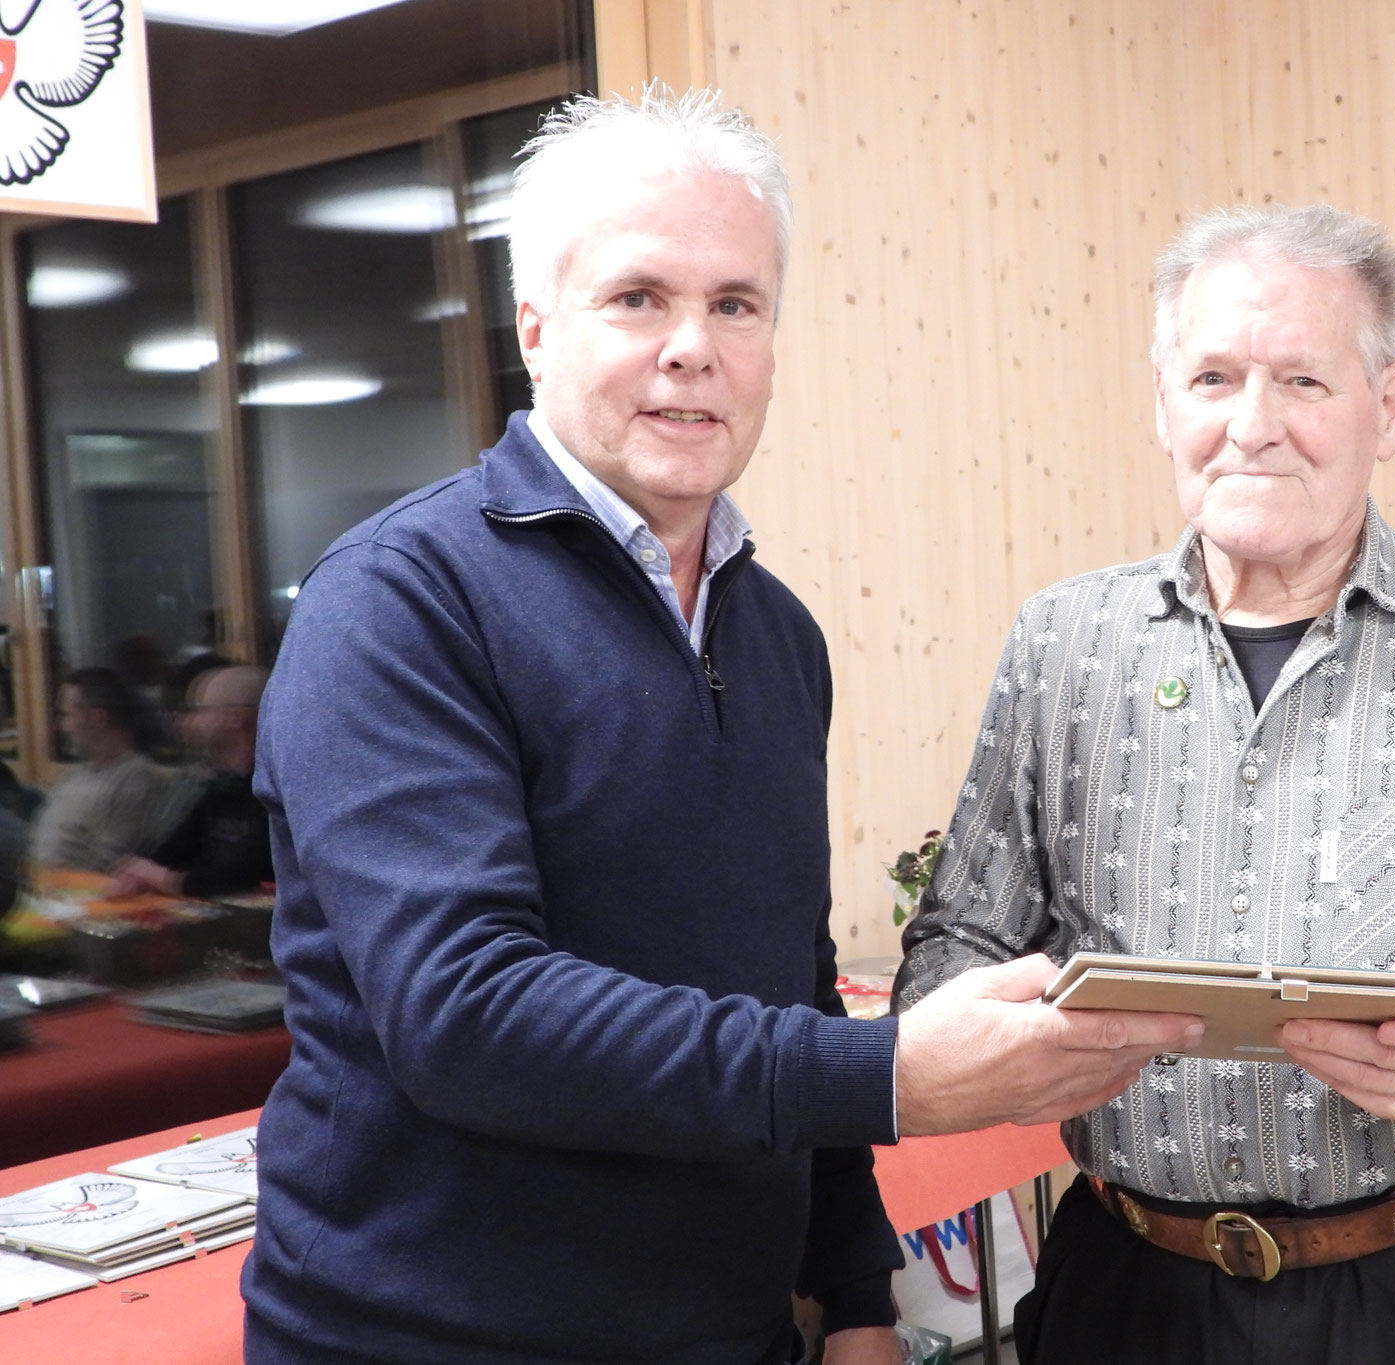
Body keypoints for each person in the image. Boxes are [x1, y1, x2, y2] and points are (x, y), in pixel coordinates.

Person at [243, 89, 1198, 1365]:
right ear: (536, 329)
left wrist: (854, 1293)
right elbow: (462, 1016)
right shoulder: (398, 601)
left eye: (735, 305)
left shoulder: (775, 634)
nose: (692, 347)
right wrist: (890, 1076)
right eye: (638, 298)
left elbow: (786, 977)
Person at [897, 204, 1395, 1363]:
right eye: (1213, 379)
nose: (1251, 426)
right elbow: (951, 951)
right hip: (1127, 1295)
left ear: (1388, 405)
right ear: (1162, 402)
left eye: (1303, 382)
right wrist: (1022, 1034)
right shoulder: (1059, 646)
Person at [104, 665, 271, 900]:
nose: (190, 721)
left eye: (199, 710)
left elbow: (253, 871)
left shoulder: (273, 787)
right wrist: (138, 874)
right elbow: (173, 853)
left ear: (234, 718)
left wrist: (166, 879)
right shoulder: (221, 784)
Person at [28, 667, 167, 873]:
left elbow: (109, 863)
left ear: (97, 719)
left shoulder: (135, 778)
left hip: (74, 889)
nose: (62, 726)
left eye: (67, 715)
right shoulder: (75, 774)